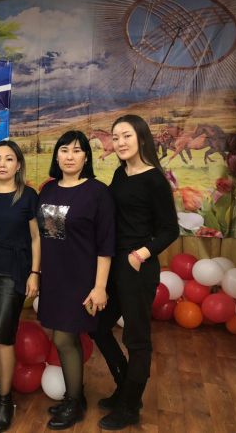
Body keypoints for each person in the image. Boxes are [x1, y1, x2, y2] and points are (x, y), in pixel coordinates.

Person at [90, 115, 178, 430]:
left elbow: (170, 230)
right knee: (99, 327)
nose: (120, 142)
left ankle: (129, 408)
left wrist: (141, 254)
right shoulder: (120, 173)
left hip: (137, 267)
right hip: (114, 264)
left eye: (126, 135)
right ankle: (126, 387)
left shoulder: (155, 179)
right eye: (115, 137)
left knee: (137, 339)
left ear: (141, 138)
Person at [36, 130, 115, 430]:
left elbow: (106, 244)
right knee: (60, 336)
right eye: (64, 150)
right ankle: (76, 396)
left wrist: (100, 287)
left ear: (86, 157)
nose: (70, 156)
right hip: (54, 276)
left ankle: (73, 403)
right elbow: (48, 235)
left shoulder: (97, 192)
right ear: (56, 156)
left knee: (64, 338)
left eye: (77, 150)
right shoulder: (48, 190)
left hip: (82, 279)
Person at [0, 140, 40, 432]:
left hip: (12, 273)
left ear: (18, 164)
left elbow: (36, 238)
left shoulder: (28, 196)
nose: (2, 164)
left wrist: (35, 273)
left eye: (9, 158)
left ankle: (5, 399)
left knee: (3, 337)